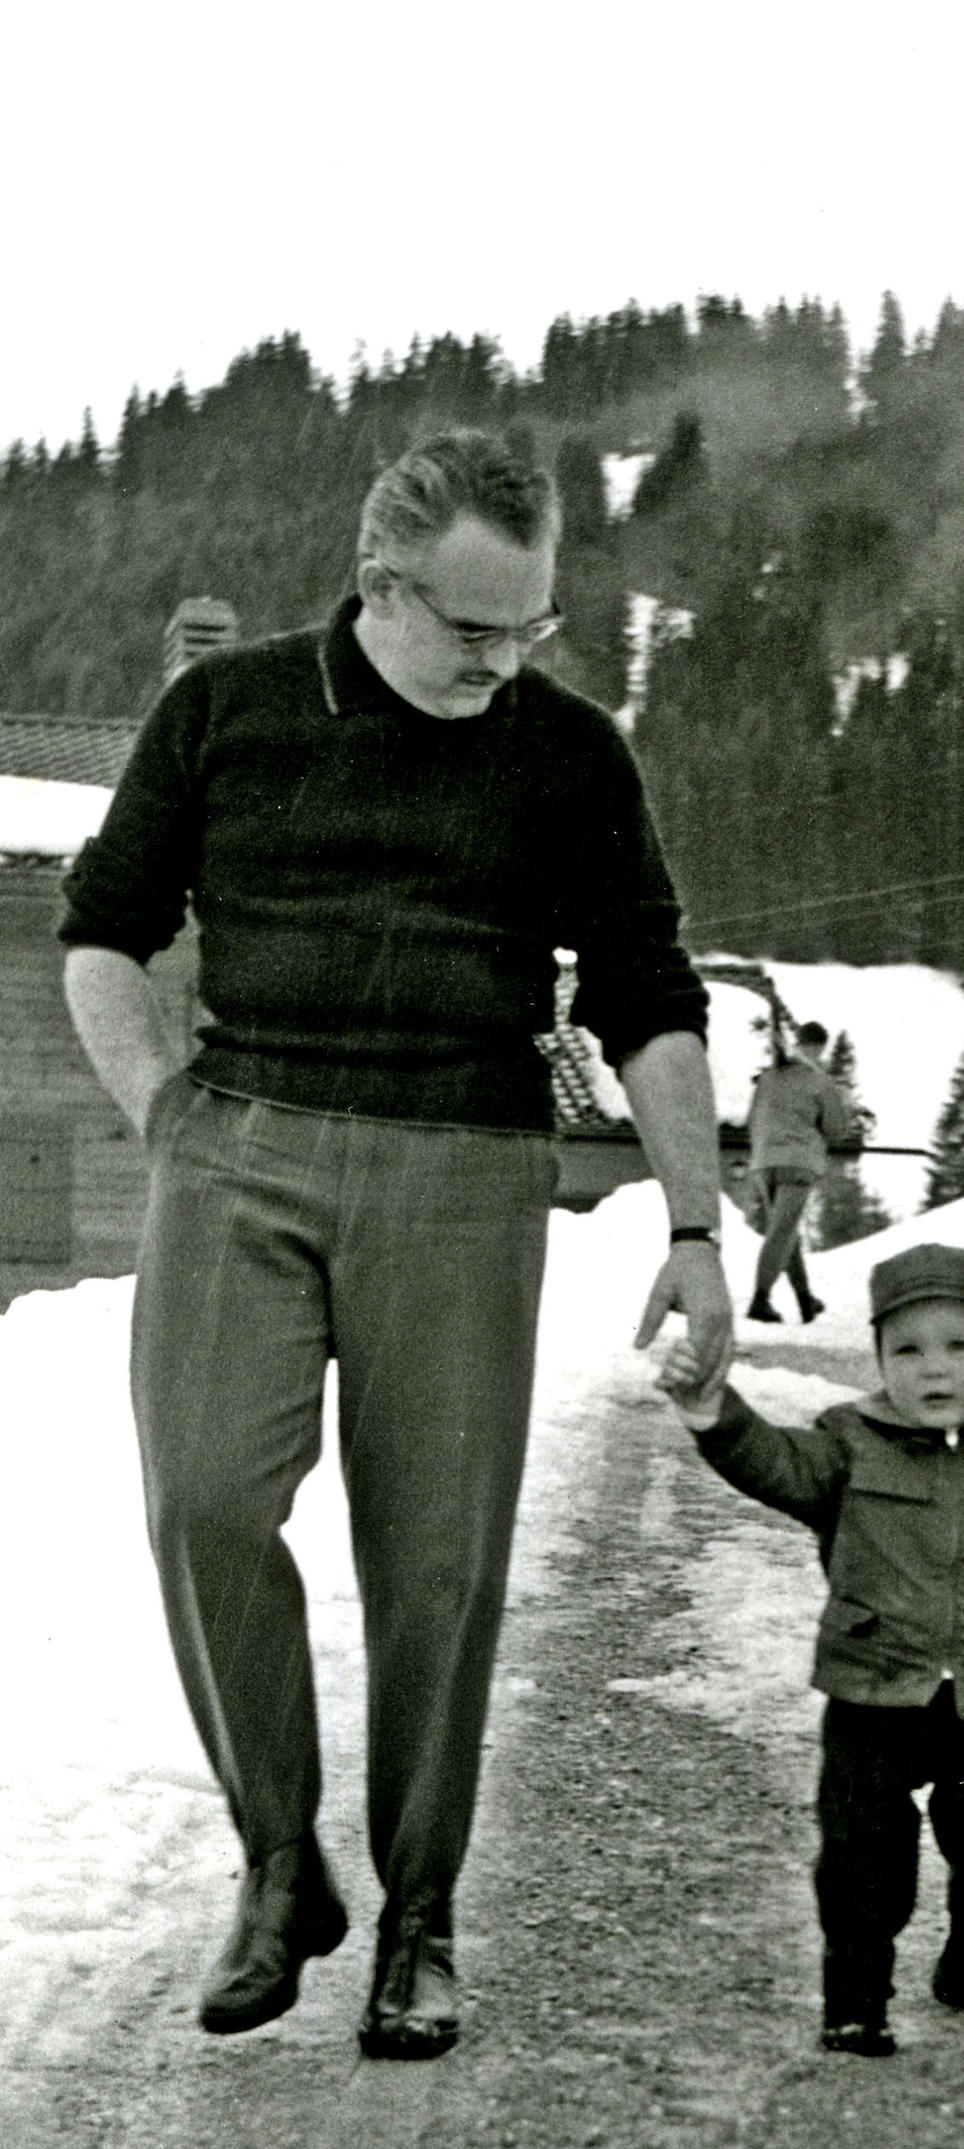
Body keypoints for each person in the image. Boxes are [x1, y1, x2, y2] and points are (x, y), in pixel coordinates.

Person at [60, 429, 732, 2061]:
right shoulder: (228, 715)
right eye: (472, 630)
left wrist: (701, 1224)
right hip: (243, 1146)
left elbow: (647, 995)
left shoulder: (566, 756)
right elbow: (104, 928)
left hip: (464, 1169)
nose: (504, 663)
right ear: (379, 586)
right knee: (204, 1499)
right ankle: (281, 1870)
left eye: (532, 631)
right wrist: (168, 1111)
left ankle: (418, 1921)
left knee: (437, 1561)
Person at [659, 1243, 964, 2055]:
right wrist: (713, 1410)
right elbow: (775, 1465)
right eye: (907, 1349)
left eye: (958, 1346)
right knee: (859, 1851)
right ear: (881, 1359)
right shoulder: (849, 1442)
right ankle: (855, 1997)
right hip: (871, 1687)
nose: (935, 1368)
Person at [744, 1019, 858, 1324]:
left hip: (763, 1161)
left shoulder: (768, 1077)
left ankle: (805, 1300)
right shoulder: (820, 1080)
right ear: (821, 1046)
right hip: (797, 1163)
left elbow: (750, 1120)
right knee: (781, 1232)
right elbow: (837, 1131)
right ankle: (760, 1300)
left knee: (785, 1231)